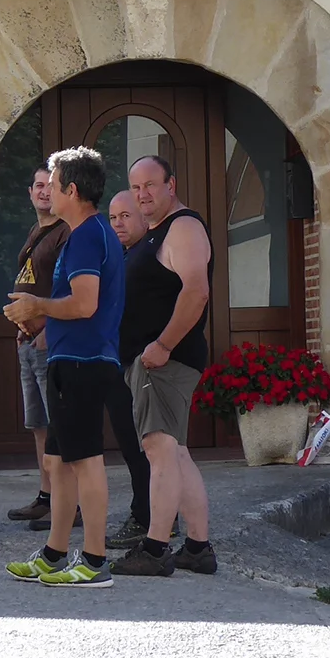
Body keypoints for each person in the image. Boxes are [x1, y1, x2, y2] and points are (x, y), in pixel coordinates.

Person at [2, 148, 125, 588]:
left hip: (83, 361)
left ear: (72, 190)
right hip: (70, 358)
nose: (47, 192)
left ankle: (94, 560)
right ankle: (54, 554)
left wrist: (37, 306)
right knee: (58, 461)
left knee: (85, 461)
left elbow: (85, 304)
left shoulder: (88, 235)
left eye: (53, 185)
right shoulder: (83, 234)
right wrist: (38, 318)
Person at [111, 155, 216, 578]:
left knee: (159, 450)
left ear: (171, 185)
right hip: (153, 360)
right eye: (136, 187)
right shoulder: (156, 232)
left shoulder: (183, 227)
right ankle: (197, 547)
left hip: (164, 360)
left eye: (150, 185)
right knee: (176, 452)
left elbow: (196, 292)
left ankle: (155, 549)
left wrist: (162, 345)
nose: (142, 195)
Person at [4, 167, 69, 530]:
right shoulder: (36, 231)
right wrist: (23, 327)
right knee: (39, 424)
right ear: (30, 192)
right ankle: (47, 496)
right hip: (28, 341)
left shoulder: (66, 232)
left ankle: (68, 504)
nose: (44, 192)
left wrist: (49, 327)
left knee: (59, 424)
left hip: (50, 341)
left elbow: (69, 289)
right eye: (39, 186)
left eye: (50, 186)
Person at [103, 191, 157, 547]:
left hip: (142, 363)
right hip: (118, 362)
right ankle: (149, 514)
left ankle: (149, 519)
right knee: (129, 444)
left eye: (125, 216)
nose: (118, 224)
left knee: (145, 448)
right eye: (113, 218)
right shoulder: (124, 256)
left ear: (143, 218)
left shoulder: (149, 255)